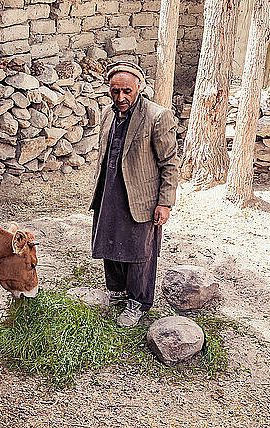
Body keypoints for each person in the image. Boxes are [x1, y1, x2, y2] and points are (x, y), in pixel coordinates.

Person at [90, 61, 179, 328]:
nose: (121, 97)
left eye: (126, 91)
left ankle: (138, 302)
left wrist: (165, 203)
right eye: (115, 91)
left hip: (142, 196)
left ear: (138, 87)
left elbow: (170, 163)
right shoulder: (108, 113)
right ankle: (117, 292)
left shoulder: (157, 116)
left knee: (140, 251)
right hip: (110, 189)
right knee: (109, 241)